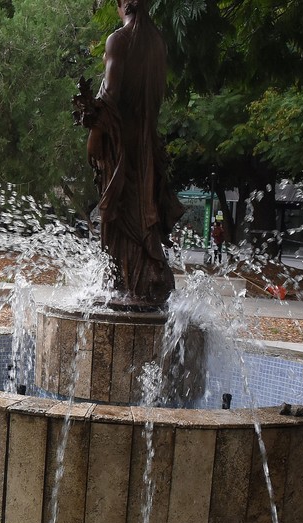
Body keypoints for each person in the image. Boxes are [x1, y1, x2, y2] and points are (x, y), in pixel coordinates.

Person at [72, 0, 183, 306]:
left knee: (117, 214)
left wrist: (94, 137)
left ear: (122, 3)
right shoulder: (157, 42)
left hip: (121, 146)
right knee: (139, 212)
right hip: (146, 145)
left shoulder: (119, 40)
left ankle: (125, 284)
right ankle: (141, 281)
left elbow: (109, 95)